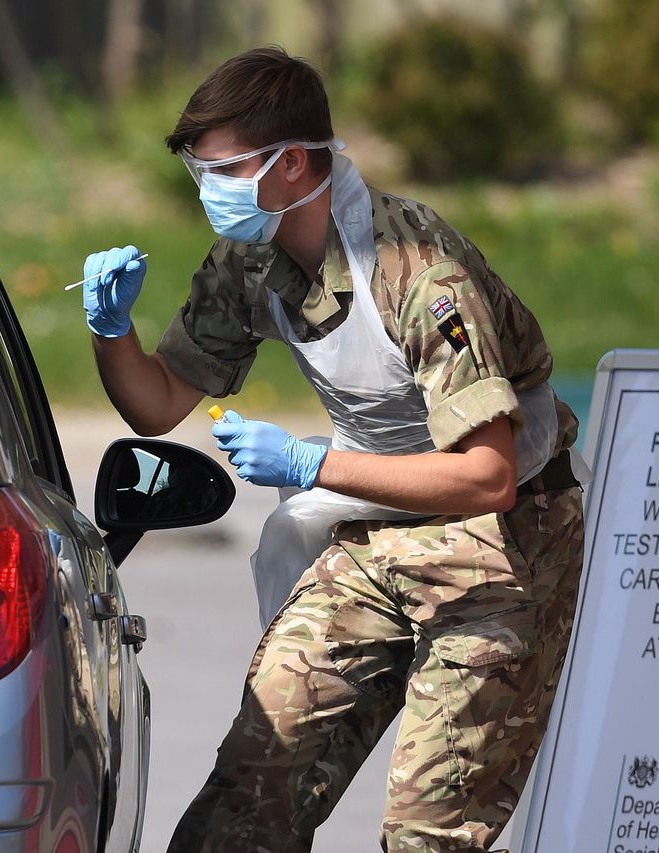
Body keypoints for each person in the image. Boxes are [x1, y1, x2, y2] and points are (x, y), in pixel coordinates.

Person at [80, 46, 584, 853]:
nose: (208, 190)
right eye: (197, 171)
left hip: (507, 543)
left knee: (430, 831)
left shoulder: (419, 271)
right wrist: (112, 334)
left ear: (290, 165)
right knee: (249, 795)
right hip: (380, 522)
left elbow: (488, 474)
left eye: (222, 170)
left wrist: (310, 465)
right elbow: (156, 401)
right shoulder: (251, 259)